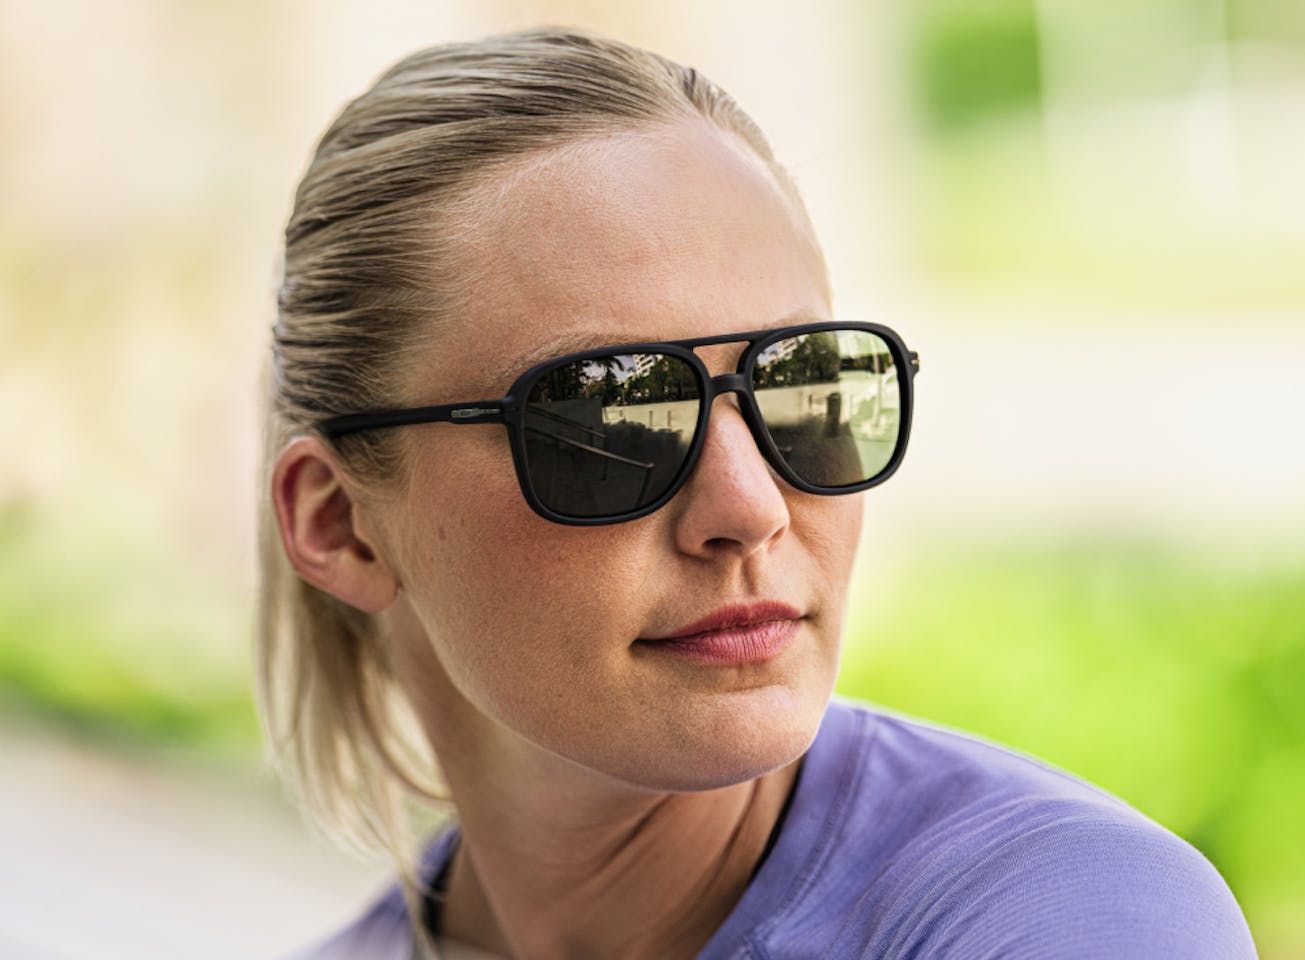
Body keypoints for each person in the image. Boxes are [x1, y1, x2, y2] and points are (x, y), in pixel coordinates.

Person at [260, 28, 1256, 960]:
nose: (751, 508)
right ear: (340, 523)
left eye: (798, 383)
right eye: (611, 418)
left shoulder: (1065, 916)